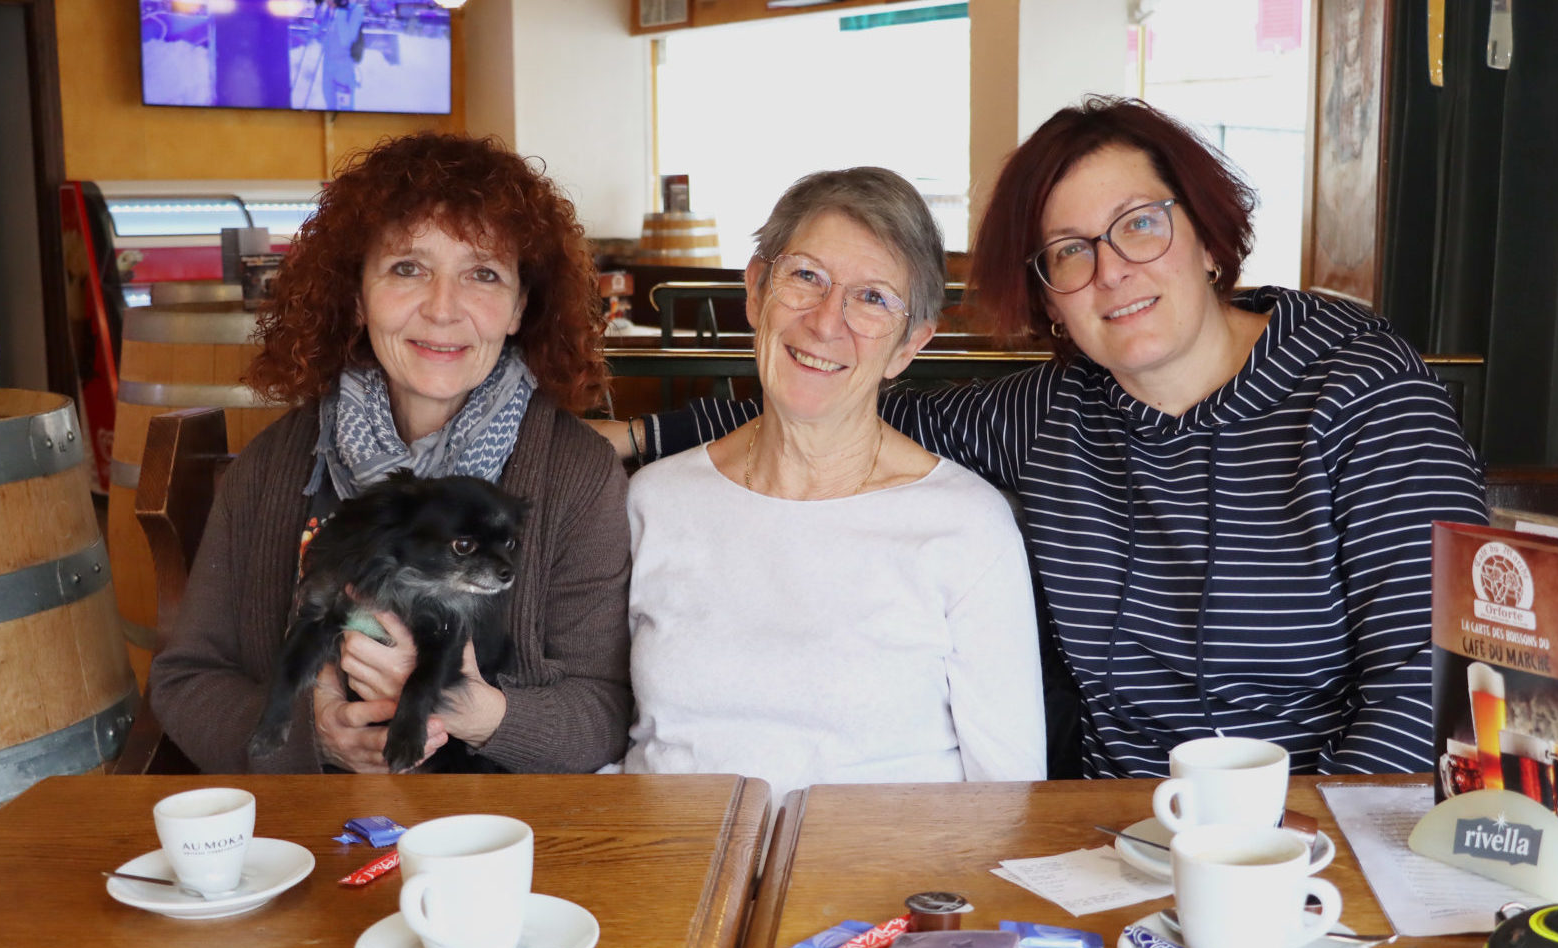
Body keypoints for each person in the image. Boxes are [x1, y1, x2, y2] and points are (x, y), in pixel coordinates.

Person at [609, 98, 1487, 778]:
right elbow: (836, 400)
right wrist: (638, 434)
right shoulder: (1056, 412)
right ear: (1049, 298)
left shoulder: (1359, 394)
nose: (1111, 271)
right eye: (1070, 250)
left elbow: (1434, 684)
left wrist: (1286, 864)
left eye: (1140, 225)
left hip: (1318, 846)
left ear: (1209, 238)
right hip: (1109, 842)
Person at [152, 132, 631, 774]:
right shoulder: (274, 464)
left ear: (519, 307)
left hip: (501, 827)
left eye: (482, 274)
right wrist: (313, 735)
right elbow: (186, 681)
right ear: (357, 294)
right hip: (314, 825)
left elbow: (604, 715)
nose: (442, 309)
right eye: (408, 268)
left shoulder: (576, 474)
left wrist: (473, 710)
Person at [621, 167, 1047, 802]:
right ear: (756, 291)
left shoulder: (967, 526)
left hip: (884, 864)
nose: (826, 321)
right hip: (674, 856)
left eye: (872, 298)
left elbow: (1010, 796)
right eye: (806, 276)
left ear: (908, 346)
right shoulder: (655, 501)